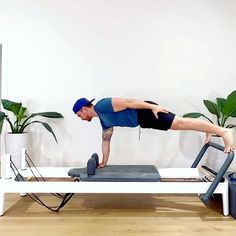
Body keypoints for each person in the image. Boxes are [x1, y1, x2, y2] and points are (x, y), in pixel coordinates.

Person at [73, 97, 234, 168]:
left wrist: (153, 107)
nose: (80, 118)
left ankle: (224, 131)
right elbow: (106, 141)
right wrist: (104, 162)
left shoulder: (102, 105)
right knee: (181, 124)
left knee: (181, 123)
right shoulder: (103, 120)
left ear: (83, 109)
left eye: (79, 115)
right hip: (144, 120)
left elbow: (130, 102)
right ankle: (212, 128)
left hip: (147, 112)